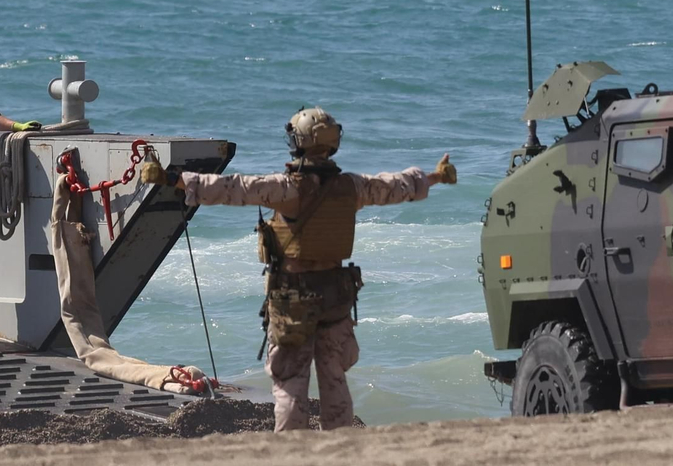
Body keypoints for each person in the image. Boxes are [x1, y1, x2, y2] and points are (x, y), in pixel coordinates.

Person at [141, 106, 456, 432]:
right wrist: (435, 176)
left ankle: (293, 452)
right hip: (336, 294)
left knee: (291, 383)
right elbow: (395, 185)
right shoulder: (353, 187)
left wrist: (172, 179)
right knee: (335, 380)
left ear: (298, 142)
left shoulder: (287, 188)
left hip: (293, 299)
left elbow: (233, 188)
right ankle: (343, 448)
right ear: (333, 142)